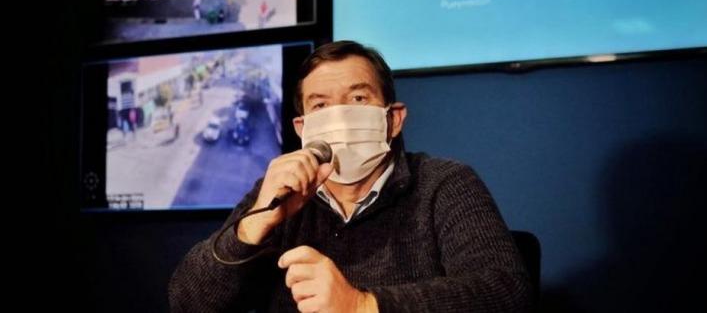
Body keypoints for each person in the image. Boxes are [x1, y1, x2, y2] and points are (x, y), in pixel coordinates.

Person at [168, 41, 531, 312]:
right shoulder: (277, 193)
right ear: (302, 128)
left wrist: (361, 306)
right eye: (321, 105)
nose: (339, 117)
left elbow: (506, 291)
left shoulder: (444, 183)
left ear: (393, 119)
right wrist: (253, 226)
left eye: (358, 99)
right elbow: (187, 303)